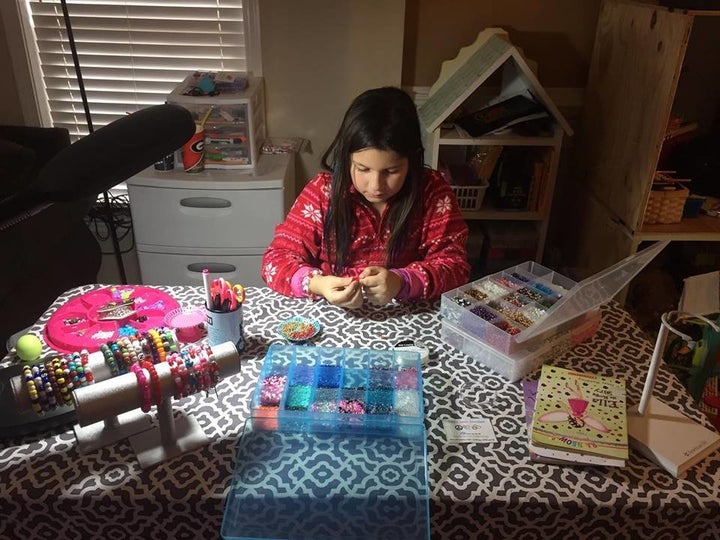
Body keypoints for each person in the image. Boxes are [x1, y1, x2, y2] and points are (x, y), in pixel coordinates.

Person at [261, 86, 470, 309]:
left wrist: (403, 281)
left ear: (413, 159)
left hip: (406, 318)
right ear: (346, 158)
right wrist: (318, 284)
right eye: (362, 168)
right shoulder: (323, 193)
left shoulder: (432, 193)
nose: (376, 186)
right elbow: (275, 261)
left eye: (391, 171)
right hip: (334, 318)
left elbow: (456, 267)